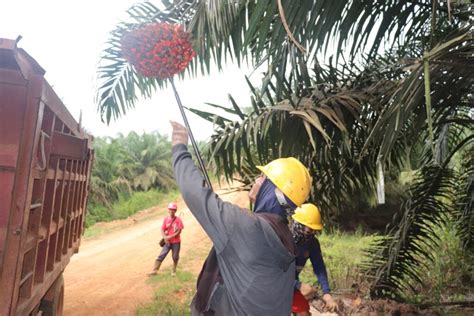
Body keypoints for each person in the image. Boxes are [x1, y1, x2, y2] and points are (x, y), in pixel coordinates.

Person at [170, 121, 312, 315]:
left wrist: (179, 146)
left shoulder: (245, 226)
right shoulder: (286, 238)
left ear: (275, 192)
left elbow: (194, 192)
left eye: (262, 178)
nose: (256, 180)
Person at [291, 203, 338, 315]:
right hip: (274, 284)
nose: (311, 234)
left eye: (314, 231)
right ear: (299, 225)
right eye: (309, 231)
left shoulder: (312, 243)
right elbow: (273, 273)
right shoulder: (283, 240)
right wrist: (298, 286)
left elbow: (319, 267)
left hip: (291, 284)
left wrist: (326, 293)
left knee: (303, 311)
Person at [148, 202, 184, 276]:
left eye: (173, 210)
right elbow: (162, 229)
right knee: (162, 255)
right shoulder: (166, 219)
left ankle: (174, 270)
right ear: (168, 210)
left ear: (175, 211)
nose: (171, 211)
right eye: (170, 209)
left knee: (175, 256)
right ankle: (154, 270)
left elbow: (179, 231)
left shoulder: (178, 220)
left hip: (176, 242)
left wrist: (170, 236)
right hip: (167, 242)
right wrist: (164, 237)